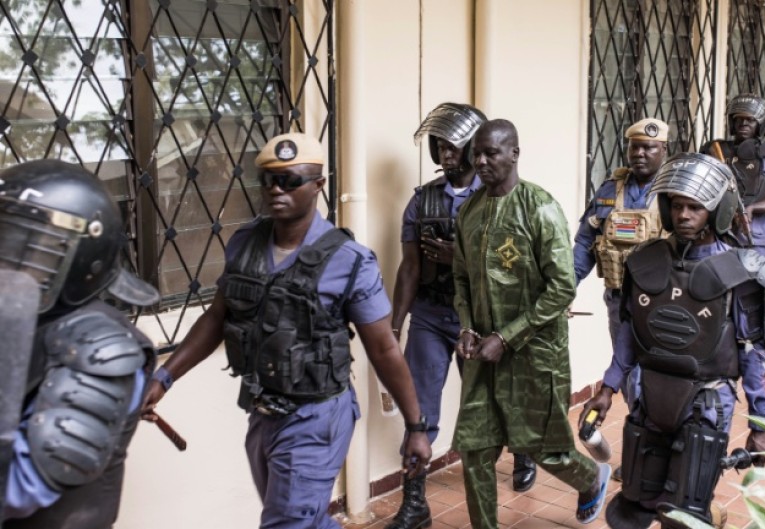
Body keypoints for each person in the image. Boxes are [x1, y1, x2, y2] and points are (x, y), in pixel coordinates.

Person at [142, 133, 432, 529]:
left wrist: (415, 427)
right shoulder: (244, 243)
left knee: (286, 523)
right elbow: (215, 318)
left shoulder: (349, 261)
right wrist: (163, 378)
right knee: (302, 519)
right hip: (262, 413)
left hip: (316, 417)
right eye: (268, 180)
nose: (276, 189)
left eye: (290, 180)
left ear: (318, 185)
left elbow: (384, 350)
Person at [587, 152, 765, 529]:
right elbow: (629, 332)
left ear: (716, 210)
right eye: (677, 206)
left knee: (683, 516)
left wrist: (760, 426)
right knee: (635, 508)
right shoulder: (645, 260)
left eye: (695, 207)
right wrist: (608, 388)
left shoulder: (739, 271)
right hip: (649, 399)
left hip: (706, 402)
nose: (684, 216)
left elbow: (752, 352)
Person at [452, 119, 611, 528]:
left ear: (514, 154)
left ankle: (592, 478)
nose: (482, 161)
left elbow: (561, 288)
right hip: (483, 356)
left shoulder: (539, 207)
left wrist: (506, 337)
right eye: (477, 153)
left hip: (535, 353)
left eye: (492, 152)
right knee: (475, 449)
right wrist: (467, 327)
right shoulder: (468, 211)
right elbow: (461, 278)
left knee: (543, 447)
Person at [0, 160, 159, 527]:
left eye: (33, 250)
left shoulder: (99, 345)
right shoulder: (23, 314)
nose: (11, 261)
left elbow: (23, 485)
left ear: (84, 257)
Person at [385, 103, 493, 529]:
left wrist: (460, 257)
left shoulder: (497, 198)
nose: (447, 155)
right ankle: (415, 504)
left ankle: (517, 461)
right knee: (420, 410)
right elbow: (409, 267)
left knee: (488, 406)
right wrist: (394, 326)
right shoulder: (421, 201)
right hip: (431, 315)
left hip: (481, 320)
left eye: (455, 146)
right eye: (440, 147)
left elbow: (513, 268)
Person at [572, 117, 668, 479]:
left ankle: (655, 456)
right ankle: (644, 456)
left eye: (650, 147)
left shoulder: (674, 191)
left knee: (658, 381)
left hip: (663, 306)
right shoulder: (610, 190)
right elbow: (586, 240)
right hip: (620, 301)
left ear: (664, 151)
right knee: (629, 377)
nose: (641, 153)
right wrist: (567, 284)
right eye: (636, 147)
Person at [702, 93, 765, 257]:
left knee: (753, 278)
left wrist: (752, 208)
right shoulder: (716, 151)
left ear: (760, 123)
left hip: (753, 234)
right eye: (739, 119)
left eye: (750, 119)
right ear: (732, 122)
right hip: (717, 232)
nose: (743, 123)